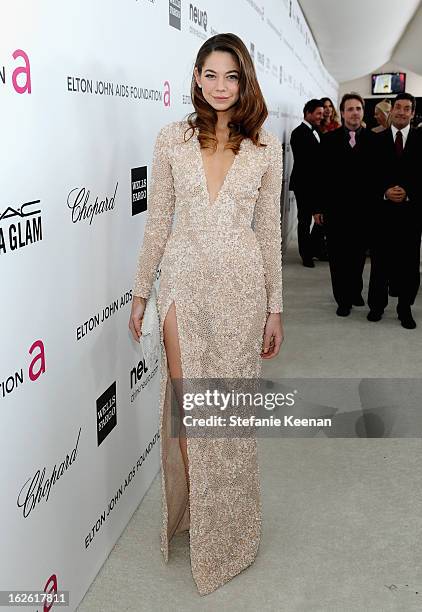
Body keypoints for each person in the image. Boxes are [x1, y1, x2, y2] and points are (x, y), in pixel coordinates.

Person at [128, 33, 284, 595]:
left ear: (244, 81)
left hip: (241, 288)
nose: (220, 87)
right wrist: (142, 290)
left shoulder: (267, 145)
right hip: (184, 283)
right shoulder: (171, 138)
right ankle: (203, 522)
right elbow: (157, 220)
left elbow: (269, 231)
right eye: (210, 75)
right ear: (196, 76)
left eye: (232, 77)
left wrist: (275, 308)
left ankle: (231, 529)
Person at [313, 93, 376, 316]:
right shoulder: (329, 140)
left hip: (364, 211)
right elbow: (320, 177)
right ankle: (343, 299)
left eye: (358, 108)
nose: (355, 113)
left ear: (363, 111)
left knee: (358, 256)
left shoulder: (373, 140)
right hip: (336, 210)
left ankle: (355, 291)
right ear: (343, 113)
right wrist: (318, 207)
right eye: (350, 109)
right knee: (339, 257)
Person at [367, 93, 422, 329]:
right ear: (391, 111)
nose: (401, 112)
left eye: (406, 108)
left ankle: (405, 309)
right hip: (382, 213)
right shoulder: (375, 141)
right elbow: (367, 176)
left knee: (409, 264)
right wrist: (384, 191)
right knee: (380, 262)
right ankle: (377, 306)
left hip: (411, 213)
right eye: (397, 107)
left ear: (412, 113)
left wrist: (409, 192)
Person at [289, 98, 326, 267]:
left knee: (321, 219)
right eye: (318, 113)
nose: (321, 116)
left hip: (318, 183)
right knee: (304, 220)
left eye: (322, 113)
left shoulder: (317, 130)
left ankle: (315, 249)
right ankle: (306, 255)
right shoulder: (298, 133)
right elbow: (307, 163)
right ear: (308, 113)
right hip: (304, 184)